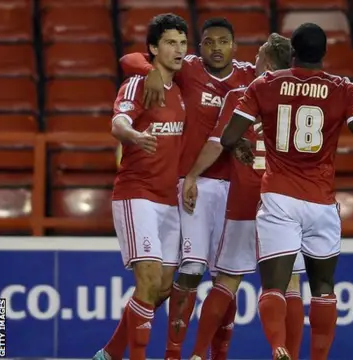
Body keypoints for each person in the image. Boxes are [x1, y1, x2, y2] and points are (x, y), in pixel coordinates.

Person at [220, 23, 353, 360]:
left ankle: (278, 347)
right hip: (321, 201)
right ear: (324, 52)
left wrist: (241, 146)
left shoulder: (265, 85)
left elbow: (229, 137)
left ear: (294, 52)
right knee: (322, 289)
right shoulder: (345, 89)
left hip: (279, 197)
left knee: (274, 286)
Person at [119, 17, 256, 359]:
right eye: (208, 42)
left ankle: (216, 355)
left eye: (223, 42)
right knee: (189, 272)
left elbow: (282, 74)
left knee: (227, 279)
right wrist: (148, 69)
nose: (216, 49)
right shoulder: (189, 68)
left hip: (236, 186)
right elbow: (129, 59)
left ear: (233, 45)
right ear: (200, 47)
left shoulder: (248, 74)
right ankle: (172, 353)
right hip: (191, 184)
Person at [187, 33, 307, 360]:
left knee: (227, 280)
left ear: (266, 63)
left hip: (244, 199)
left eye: (257, 58)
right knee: (291, 283)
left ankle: (198, 355)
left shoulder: (243, 95)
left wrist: (193, 175)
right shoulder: (306, 102)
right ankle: (289, 353)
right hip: (284, 200)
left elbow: (219, 142)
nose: (252, 62)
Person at [93, 13, 188, 360]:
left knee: (162, 288)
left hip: (170, 199)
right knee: (147, 282)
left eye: (182, 43)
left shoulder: (181, 89)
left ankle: (109, 354)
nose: (178, 50)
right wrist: (133, 135)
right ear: (153, 48)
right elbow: (118, 123)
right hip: (138, 194)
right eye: (169, 43)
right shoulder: (138, 83)